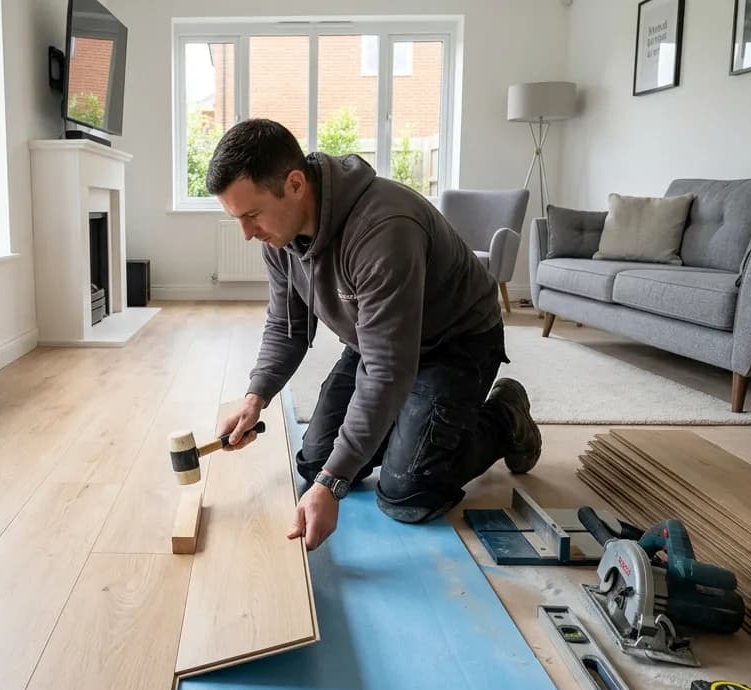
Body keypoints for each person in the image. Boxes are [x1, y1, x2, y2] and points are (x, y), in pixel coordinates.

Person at [209, 118, 541, 551]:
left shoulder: (384, 227)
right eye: (237, 218)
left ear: (294, 184)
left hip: (455, 344)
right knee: (314, 461)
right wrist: (256, 398)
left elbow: (388, 370)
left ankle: (505, 416)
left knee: (407, 492)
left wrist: (333, 483)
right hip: (377, 342)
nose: (247, 233)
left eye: (251, 215)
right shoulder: (280, 239)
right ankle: (408, 425)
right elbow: (287, 328)